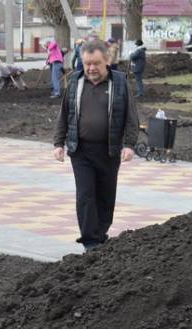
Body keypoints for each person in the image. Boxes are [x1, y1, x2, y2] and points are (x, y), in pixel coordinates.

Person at [53, 40, 139, 252]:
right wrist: (58, 142)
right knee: (86, 194)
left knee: (106, 195)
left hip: (109, 150)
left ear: (107, 61)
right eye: (87, 63)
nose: (91, 68)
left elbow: (131, 116)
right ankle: (90, 241)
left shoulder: (119, 83)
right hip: (80, 150)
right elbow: (65, 113)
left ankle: (100, 234)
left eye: (96, 63)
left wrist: (129, 145)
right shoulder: (75, 81)